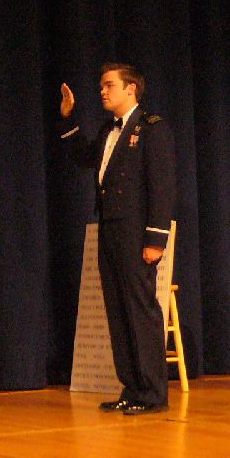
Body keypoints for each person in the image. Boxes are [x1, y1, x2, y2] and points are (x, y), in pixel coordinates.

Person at [59, 62, 176, 415]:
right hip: (110, 231)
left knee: (141, 312)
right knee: (118, 311)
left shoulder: (152, 129)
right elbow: (85, 158)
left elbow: (163, 187)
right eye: (101, 86)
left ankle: (153, 392)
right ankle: (132, 386)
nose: (103, 91)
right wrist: (68, 119)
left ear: (131, 89)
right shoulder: (108, 130)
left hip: (136, 232)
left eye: (109, 85)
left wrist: (156, 239)